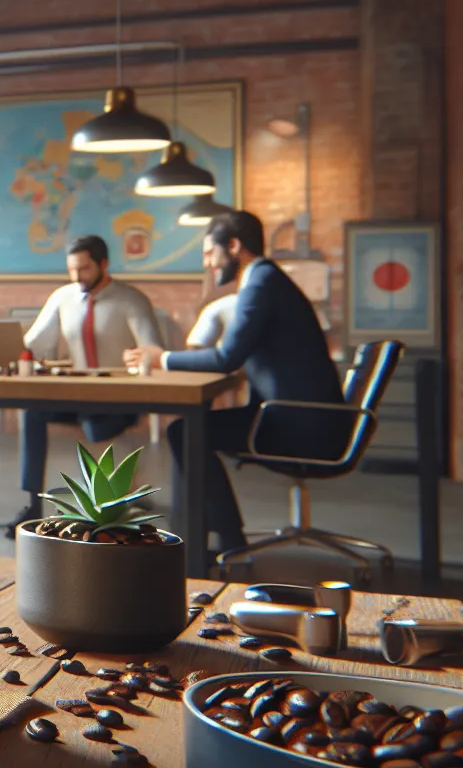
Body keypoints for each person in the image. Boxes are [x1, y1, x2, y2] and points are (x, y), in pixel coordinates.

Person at [125, 211, 347, 555]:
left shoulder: (261, 283)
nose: (207, 262)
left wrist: (160, 359)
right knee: (187, 431)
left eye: (210, 252)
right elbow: (236, 354)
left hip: (300, 425)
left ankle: (222, 541)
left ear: (233, 245)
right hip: (300, 416)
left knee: (185, 433)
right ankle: (207, 541)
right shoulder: (267, 279)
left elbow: (226, 357)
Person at [9, 235, 164, 536]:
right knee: (33, 411)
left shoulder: (131, 299)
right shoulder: (62, 297)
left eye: (84, 269)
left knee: (97, 427)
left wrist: (141, 356)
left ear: (103, 264)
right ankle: (31, 500)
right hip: (77, 392)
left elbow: (152, 348)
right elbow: (33, 344)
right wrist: (13, 352)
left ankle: (120, 499)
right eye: (72, 270)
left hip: (121, 396)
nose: (77, 277)